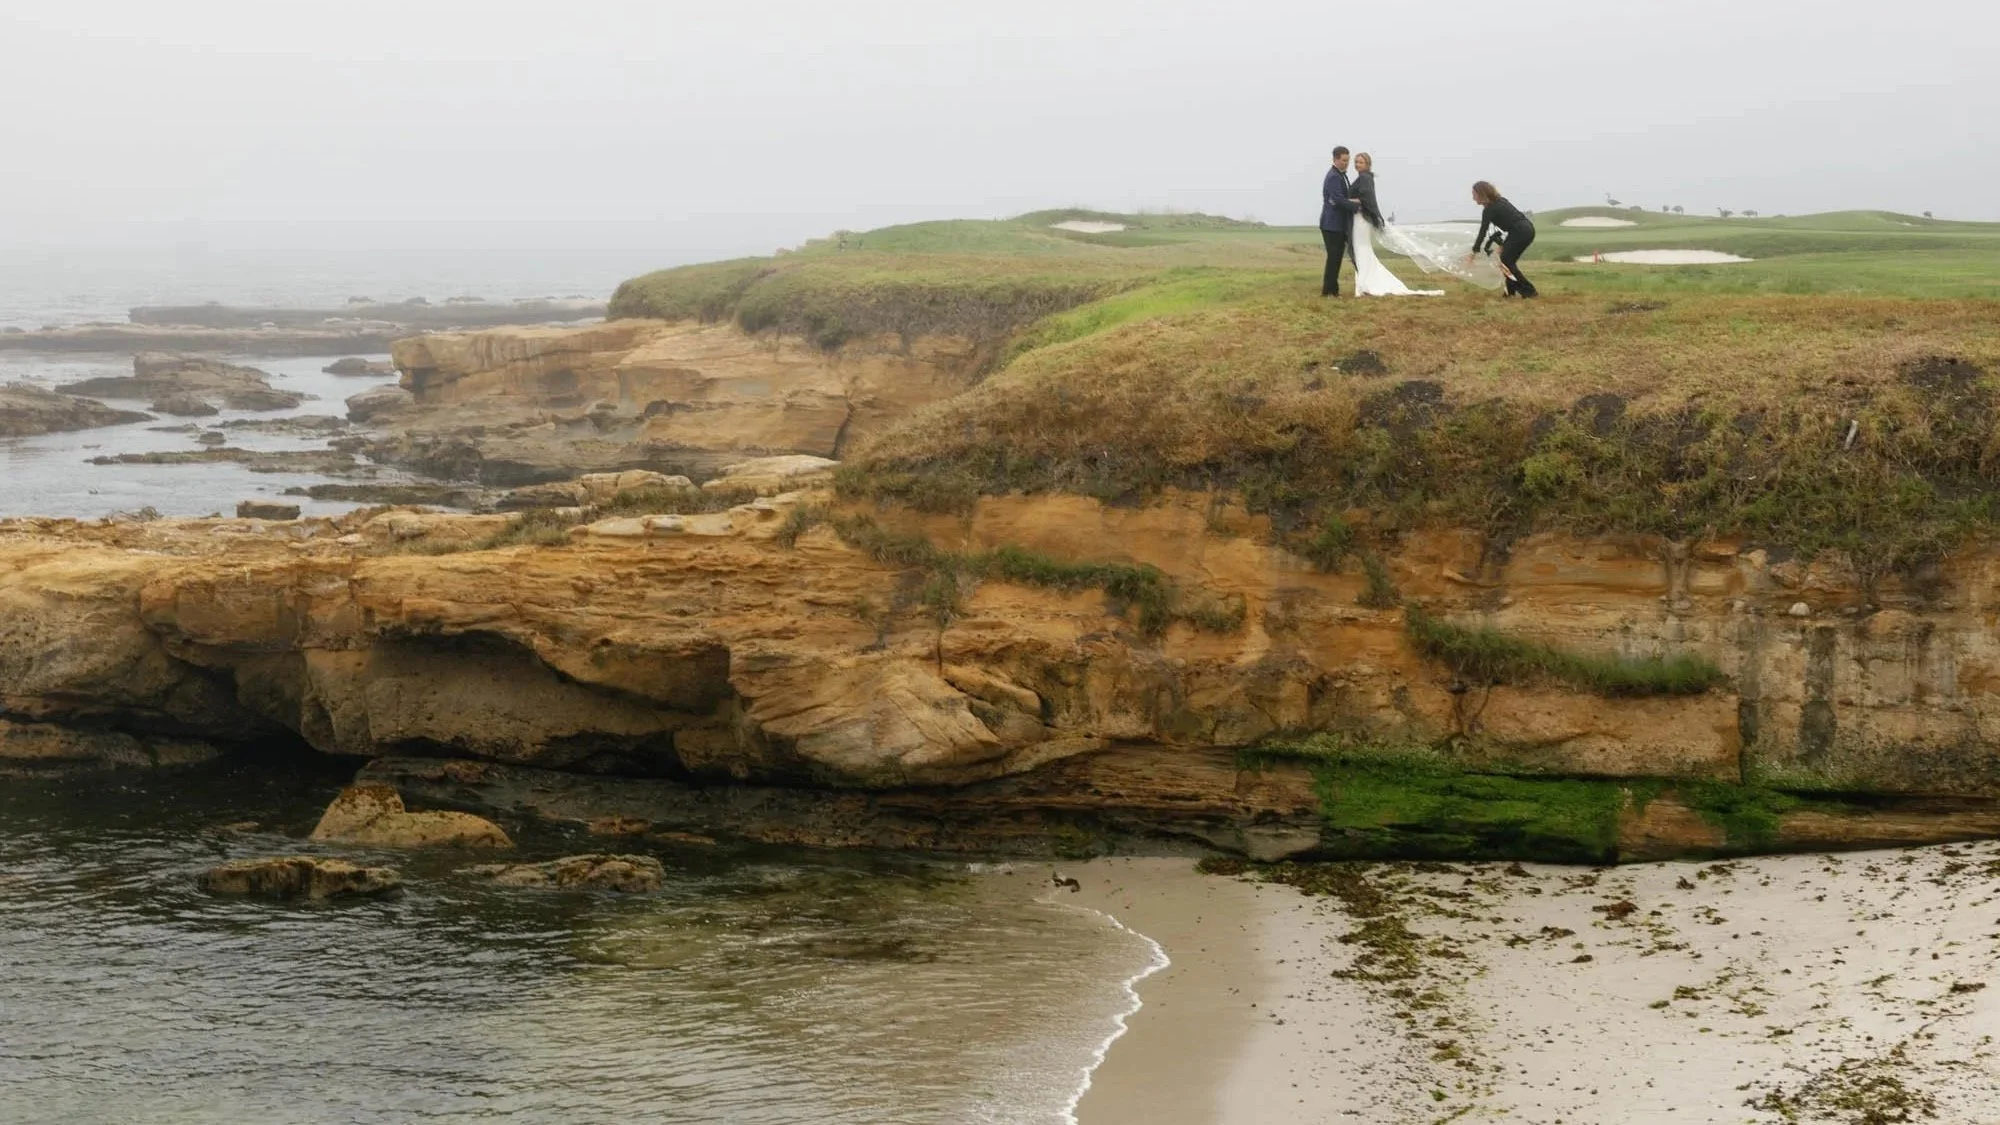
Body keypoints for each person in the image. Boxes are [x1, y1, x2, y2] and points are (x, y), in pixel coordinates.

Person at [1347, 154, 1443, 298]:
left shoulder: (1364, 178)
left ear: (1368, 164)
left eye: (1361, 162)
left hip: (1361, 219)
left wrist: (1346, 200)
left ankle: (1365, 284)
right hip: (1359, 219)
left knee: (1361, 248)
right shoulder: (1365, 177)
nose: (1357, 164)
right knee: (1361, 249)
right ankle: (1363, 283)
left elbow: (1366, 199)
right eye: (1356, 162)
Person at [1469, 181, 1538, 297]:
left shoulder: (1489, 210)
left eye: (1474, 195)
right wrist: (1504, 244)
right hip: (1526, 229)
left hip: (1520, 231)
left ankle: (1529, 291)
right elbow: (1509, 221)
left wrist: (1474, 252)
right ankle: (1510, 292)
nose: (1473, 198)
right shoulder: (1501, 201)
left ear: (1482, 194)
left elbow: (1483, 232)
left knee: (1506, 261)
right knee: (1507, 261)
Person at [1319, 147, 1361, 297]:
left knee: (1336, 258)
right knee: (1334, 258)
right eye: (1343, 160)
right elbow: (1337, 199)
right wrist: (1357, 205)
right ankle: (1329, 291)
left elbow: (1342, 198)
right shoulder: (1333, 177)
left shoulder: (1340, 175)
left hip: (1337, 224)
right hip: (1332, 225)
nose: (1346, 163)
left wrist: (1350, 200)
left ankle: (1332, 290)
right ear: (1335, 159)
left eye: (1347, 160)